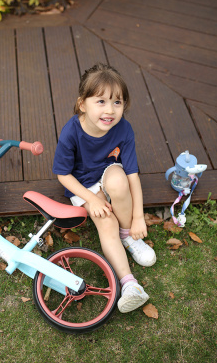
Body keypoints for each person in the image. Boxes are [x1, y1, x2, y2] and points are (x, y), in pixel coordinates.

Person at [53, 63, 156, 313]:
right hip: (82, 184)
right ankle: (130, 284)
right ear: (82, 104)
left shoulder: (123, 129)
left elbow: (132, 175)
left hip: (109, 172)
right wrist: (92, 198)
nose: (110, 110)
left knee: (119, 181)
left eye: (117, 102)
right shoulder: (71, 133)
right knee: (105, 221)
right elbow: (63, 174)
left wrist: (138, 218)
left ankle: (127, 236)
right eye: (101, 101)